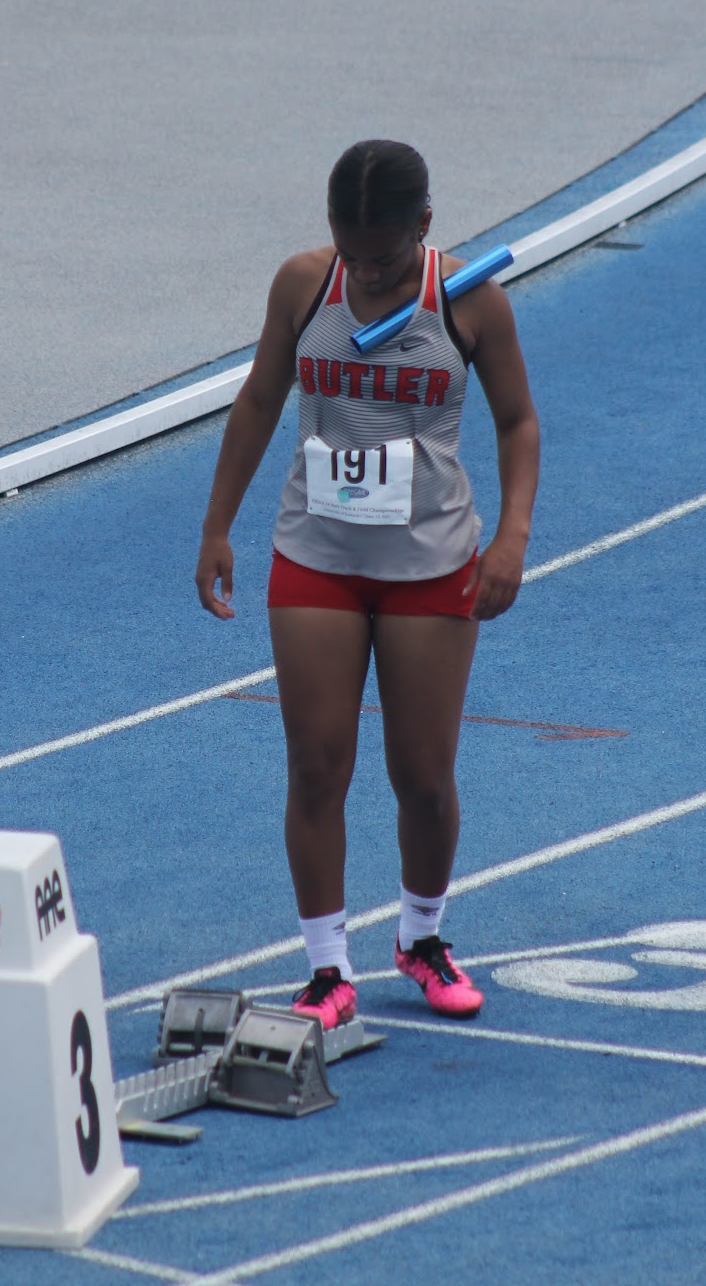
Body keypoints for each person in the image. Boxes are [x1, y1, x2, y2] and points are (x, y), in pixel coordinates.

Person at [195, 139, 539, 1028]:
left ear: (423, 228)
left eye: (383, 256)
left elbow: (518, 422)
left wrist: (511, 539)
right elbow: (259, 399)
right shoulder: (305, 285)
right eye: (350, 248)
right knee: (316, 763)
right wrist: (217, 524)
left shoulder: (471, 302)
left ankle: (422, 939)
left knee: (422, 776)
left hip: (430, 561)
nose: (366, 270)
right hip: (319, 554)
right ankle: (325, 969)